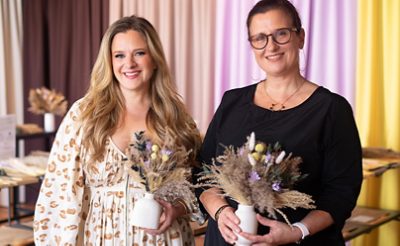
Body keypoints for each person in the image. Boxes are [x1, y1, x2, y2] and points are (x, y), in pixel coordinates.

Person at [196, 0, 363, 245]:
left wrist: (296, 231)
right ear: (252, 45)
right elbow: (204, 172)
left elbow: (341, 193)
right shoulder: (231, 102)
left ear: (301, 37)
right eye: (259, 38)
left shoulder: (331, 109)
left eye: (281, 34)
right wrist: (221, 212)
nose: (270, 46)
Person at [33, 15, 202, 245]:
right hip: (102, 237)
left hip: (166, 239)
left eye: (139, 53)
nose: (129, 64)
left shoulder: (176, 117)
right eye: (119, 55)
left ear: (154, 58)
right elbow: (59, 192)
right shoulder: (84, 114)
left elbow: (197, 185)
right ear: (109, 62)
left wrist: (177, 208)